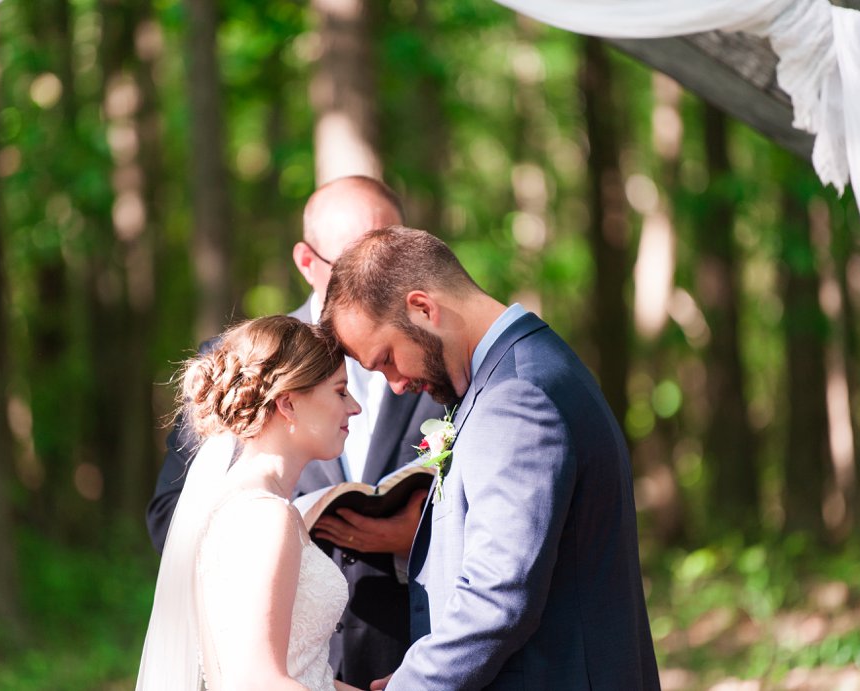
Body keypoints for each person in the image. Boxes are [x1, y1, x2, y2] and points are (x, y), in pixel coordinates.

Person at [321, 226, 661, 690]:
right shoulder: (524, 367)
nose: (396, 384)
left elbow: (498, 595)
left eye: (386, 360)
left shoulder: (516, 396)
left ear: (423, 308)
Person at [145, 176, 443, 686]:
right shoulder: (265, 511)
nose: (379, 284)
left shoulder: (434, 365)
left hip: (397, 646)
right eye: (353, 265)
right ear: (308, 262)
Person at [136, 316, 364, 690]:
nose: (353, 407)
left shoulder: (257, 506)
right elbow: (259, 681)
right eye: (340, 391)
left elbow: (307, 673)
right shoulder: (264, 518)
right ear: (288, 403)